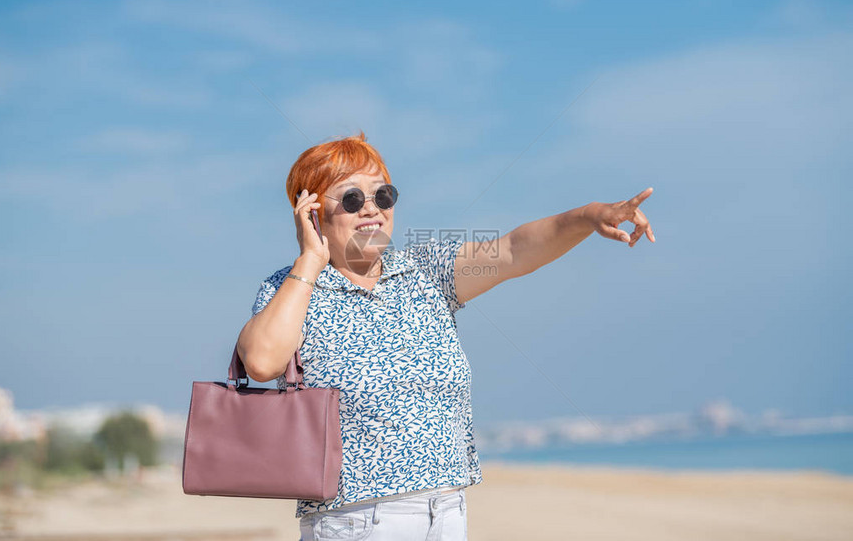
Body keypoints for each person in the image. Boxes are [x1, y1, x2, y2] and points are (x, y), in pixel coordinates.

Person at [235, 132, 655, 541]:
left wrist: (587, 217)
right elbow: (262, 362)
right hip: (354, 521)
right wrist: (310, 261)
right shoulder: (292, 287)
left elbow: (511, 252)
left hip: (447, 511)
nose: (372, 210)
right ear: (311, 213)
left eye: (382, 196)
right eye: (351, 199)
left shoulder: (425, 272)